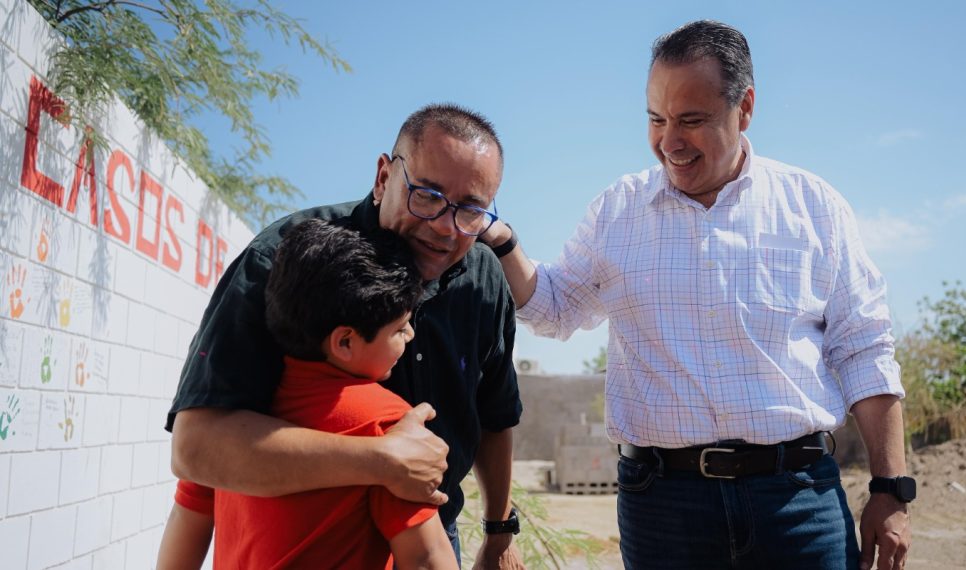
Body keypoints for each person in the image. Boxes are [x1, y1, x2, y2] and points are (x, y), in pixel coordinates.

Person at [480, 20, 912, 570]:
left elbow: (864, 351)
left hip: (798, 501)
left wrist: (891, 489)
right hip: (663, 507)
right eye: (656, 120)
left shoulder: (814, 208)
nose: (669, 141)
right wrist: (502, 242)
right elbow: (555, 306)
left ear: (745, 107)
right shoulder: (618, 211)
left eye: (691, 120)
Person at [166, 104, 525, 567]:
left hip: (432, 527)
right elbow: (197, 450)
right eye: (428, 195)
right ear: (383, 178)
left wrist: (498, 532)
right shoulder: (287, 261)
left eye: (470, 211)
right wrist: (383, 461)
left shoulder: (483, 279)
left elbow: (493, 414)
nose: (444, 226)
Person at [159, 219, 457, 569]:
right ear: (345, 341)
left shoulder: (235, 415)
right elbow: (425, 558)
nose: (409, 336)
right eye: (399, 328)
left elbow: (187, 517)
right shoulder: (387, 424)